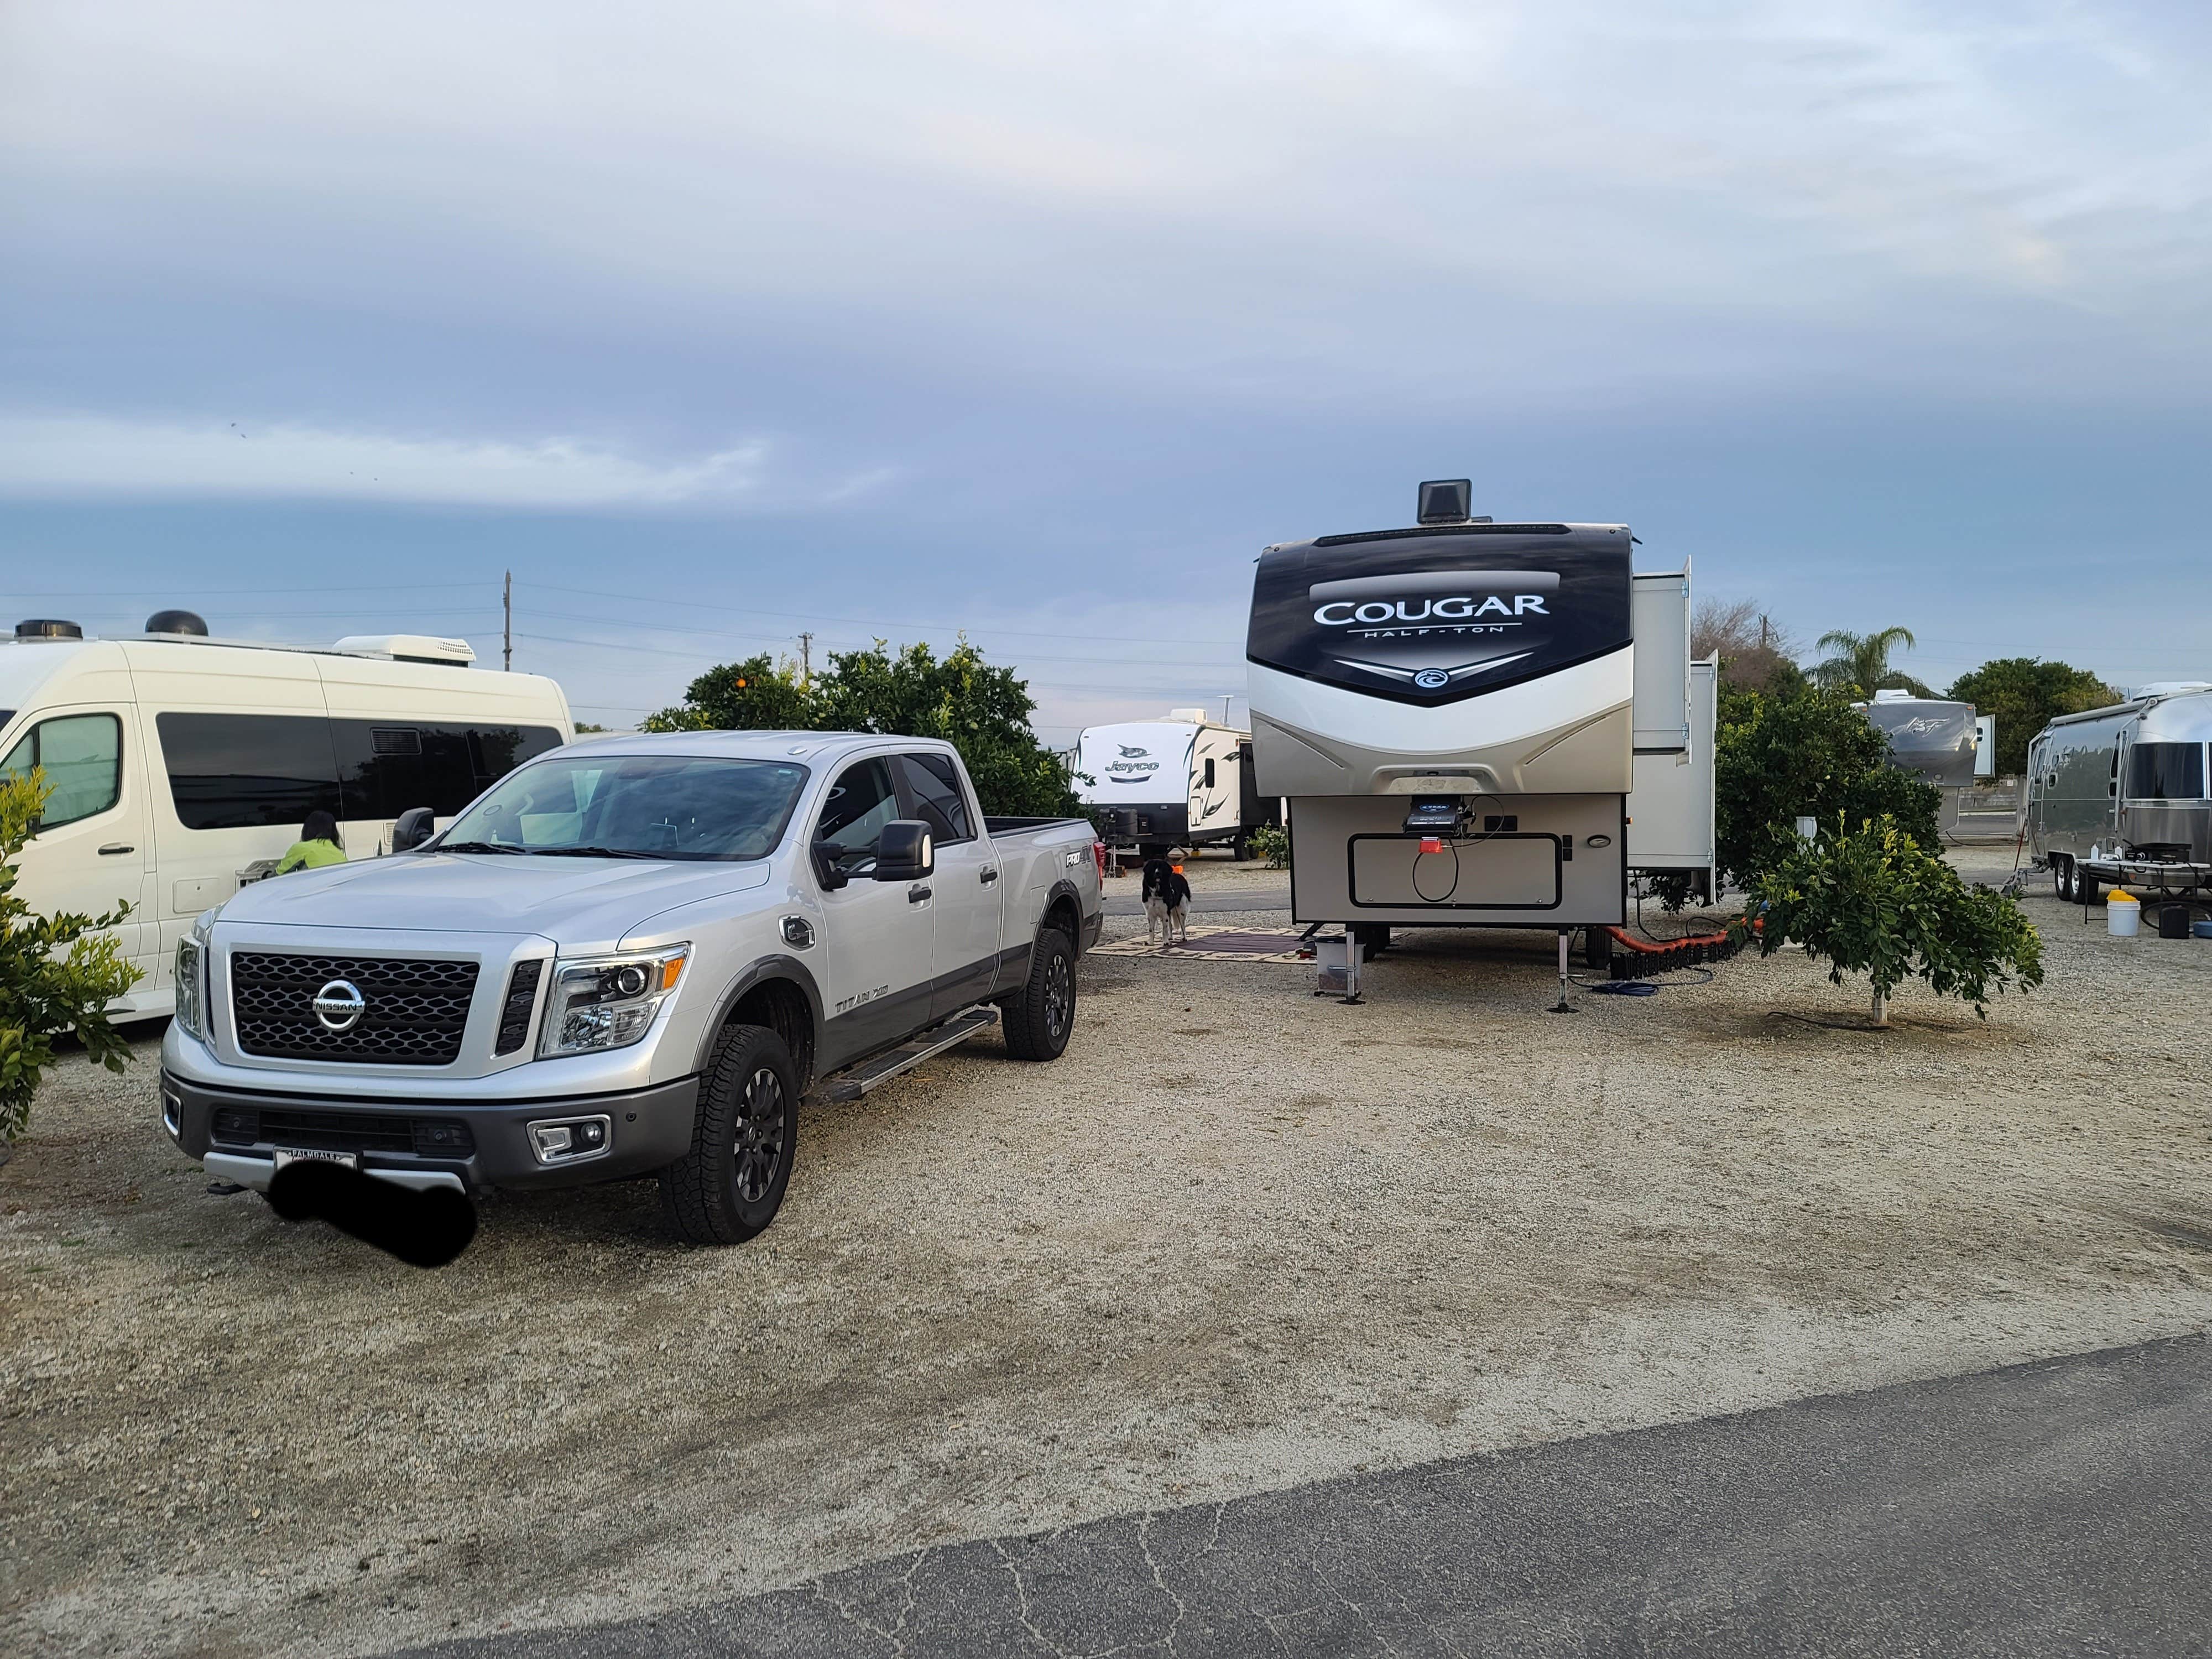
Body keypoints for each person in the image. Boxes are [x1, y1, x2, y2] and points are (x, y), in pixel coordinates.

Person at [276, 809, 347, 874]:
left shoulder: (301, 848)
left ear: (308, 829)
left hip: (315, 887)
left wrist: (266, 873)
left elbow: (279, 875)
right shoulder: (338, 852)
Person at [1141, 857, 1192, 947]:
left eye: (1160, 869)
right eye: (1154, 869)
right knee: (1151, 917)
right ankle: (1151, 939)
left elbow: (1165, 916)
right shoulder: (1146, 893)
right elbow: (1150, 917)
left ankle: (1181, 933)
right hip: (1151, 895)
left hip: (1179, 891)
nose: (1157, 872)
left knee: (1179, 913)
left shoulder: (1174, 883)